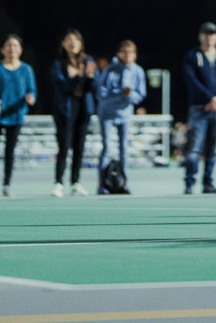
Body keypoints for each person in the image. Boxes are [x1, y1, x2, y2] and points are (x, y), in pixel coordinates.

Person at [0, 34, 36, 197]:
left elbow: (32, 90)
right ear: (3, 49)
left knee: (10, 152)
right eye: (8, 45)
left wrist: (31, 97)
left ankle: (7, 184)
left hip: (16, 115)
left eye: (15, 45)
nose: (12, 48)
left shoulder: (26, 69)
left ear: (20, 50)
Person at [182, 23, 216, 195]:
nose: (209, 37)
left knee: (213, 149)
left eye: (212, 34)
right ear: (200, 36)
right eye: (206, 34)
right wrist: (209, 98)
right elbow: (192, 81)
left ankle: (208, 182)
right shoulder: (192, 56)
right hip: (199, 108)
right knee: (195, 148)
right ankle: (189, 181)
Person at [50, 29, 98, 197]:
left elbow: (95, 86)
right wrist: (77, 76)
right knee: (64, 146)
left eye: (76, 40)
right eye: (69, 40)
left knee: (79, 147)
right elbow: (63, 87)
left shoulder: (88, 60)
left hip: (84, 108)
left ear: (81, 43)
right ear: (63, 44)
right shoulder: (59, 64)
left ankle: (76, 182)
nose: (73, 43)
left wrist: (90, 77)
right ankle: (58, 183)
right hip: (65, 109)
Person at [96, 40, 146, 186]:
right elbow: (101, 94)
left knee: (124, 148)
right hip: (107, 114)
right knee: (106, 147)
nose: (128, 55)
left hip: (125, 115)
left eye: (131, 52)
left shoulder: (138, 71)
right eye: (124, 51)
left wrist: (129, 95)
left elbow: (141, 94)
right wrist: (120, 94)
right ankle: (102, 183)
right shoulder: (109, 70)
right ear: (118, 54)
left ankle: (123, 182)